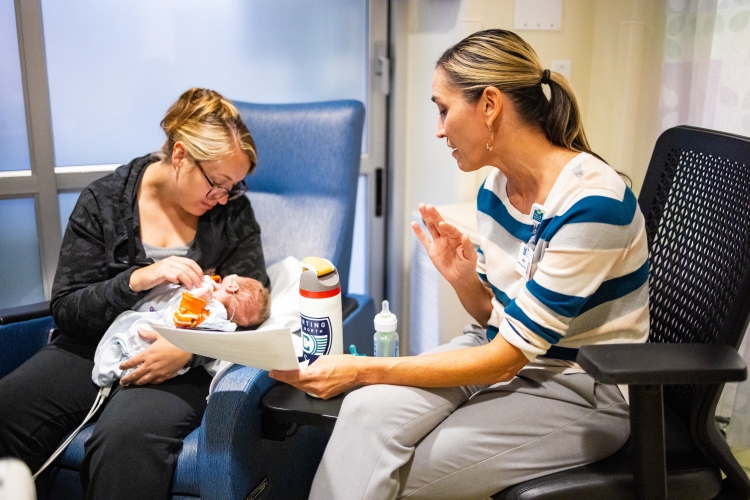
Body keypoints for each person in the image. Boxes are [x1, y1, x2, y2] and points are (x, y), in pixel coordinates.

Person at [270, 29, 649, 499]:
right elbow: (498, 327)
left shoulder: (593, 203)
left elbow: (507, 358)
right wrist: (466, 281)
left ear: (489, 104)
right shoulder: (496, 188)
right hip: (504, 358)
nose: (438, 128)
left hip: (579, 388)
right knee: (365, 414)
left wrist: (360, 368)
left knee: (387, 477)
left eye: (443, 108)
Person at [0, 88, 270, 499]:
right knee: (7, 410)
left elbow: (248, 303)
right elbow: (68, 308)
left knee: (125, 440)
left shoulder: (231, 214)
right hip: (90, 344)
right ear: (180, 156)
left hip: (184, 363)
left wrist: (188, 347)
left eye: (234, 186)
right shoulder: (104, 201)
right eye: (217, 183)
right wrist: (136, 280)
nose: (222, 198)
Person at [93, 273, 270, 387]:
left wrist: (195, 301)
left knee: (133, 340)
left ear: (232, 286)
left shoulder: (212, 308)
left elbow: (181, 320)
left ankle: (115, 368)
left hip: (158, 335)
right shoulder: (216, 302)